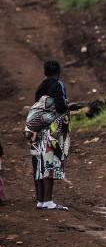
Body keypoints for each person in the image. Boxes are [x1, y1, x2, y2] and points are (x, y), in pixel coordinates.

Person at [28, 60, 71, 211]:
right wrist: (68, 106)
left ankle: (40, 200)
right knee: (49, 164)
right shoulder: (58, 85)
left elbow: (39, 107)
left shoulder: (40, 86)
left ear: (45, 72)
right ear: (59, 72)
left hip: (36, 131)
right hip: (51, 131)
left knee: (38, 164)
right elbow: (59, 106)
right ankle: (48, 201)